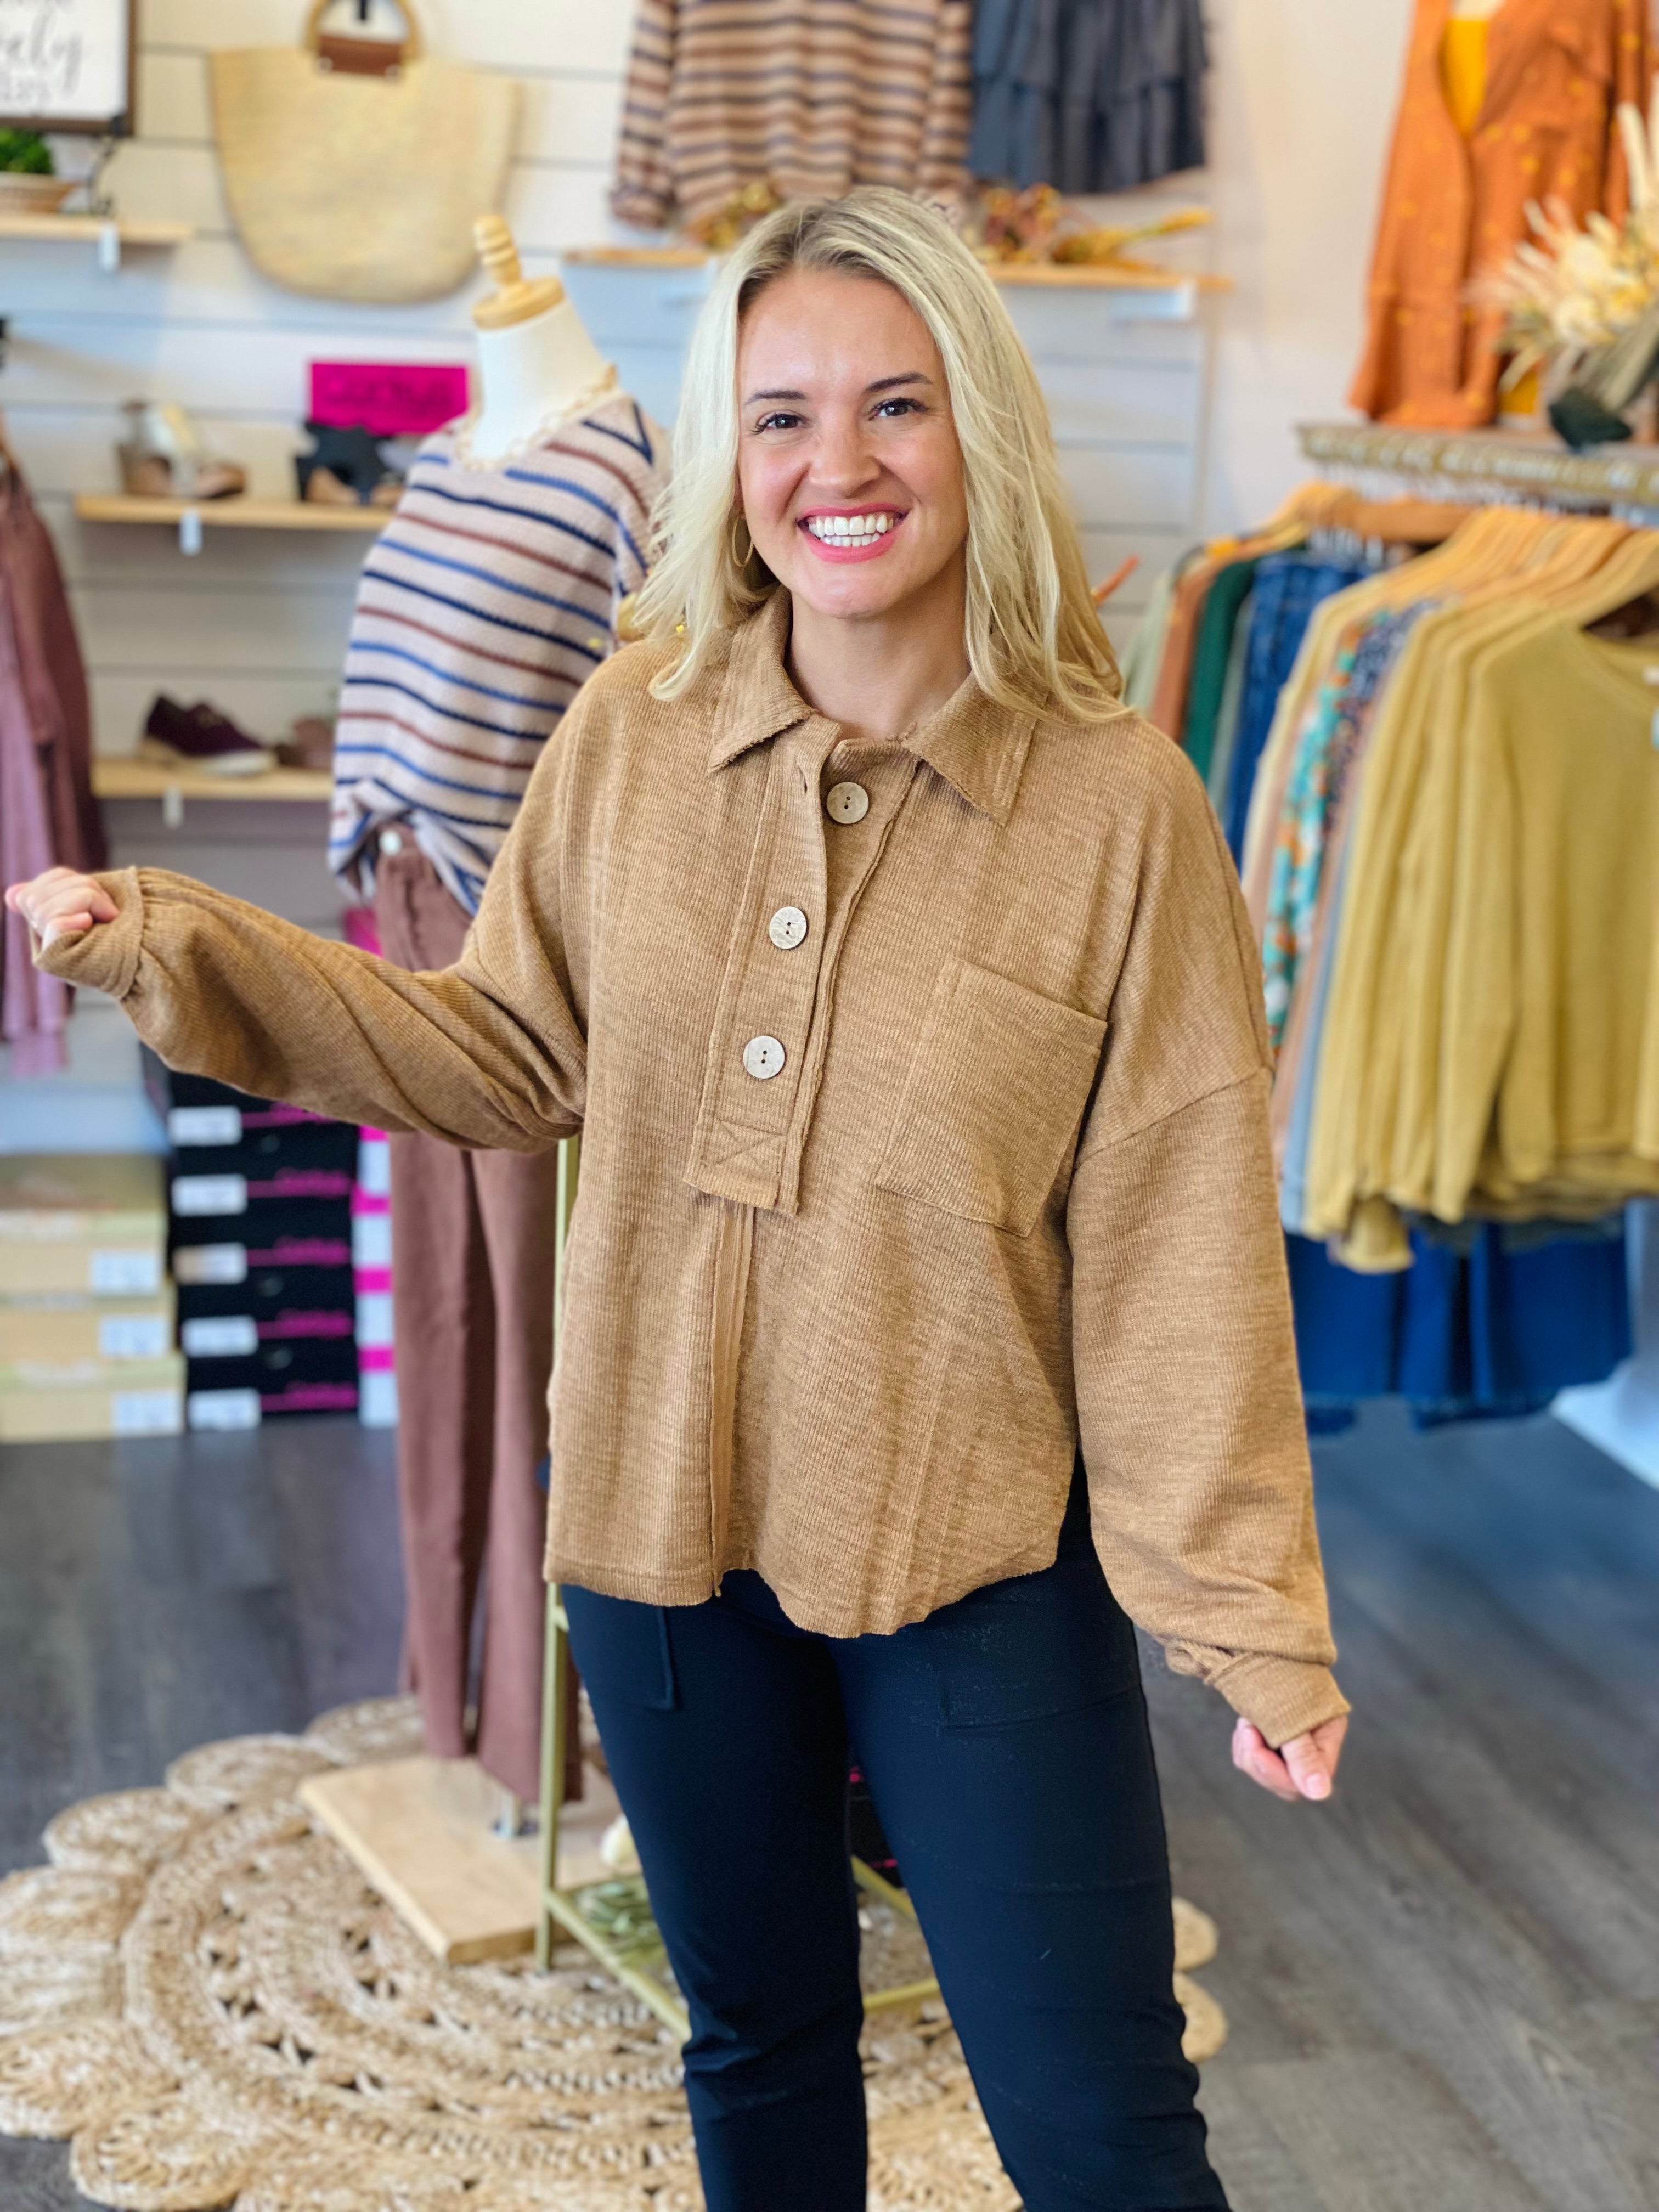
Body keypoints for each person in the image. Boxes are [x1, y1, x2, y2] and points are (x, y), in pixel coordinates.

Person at [11, 188, 1347, 2212]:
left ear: (981, 426)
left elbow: (1176, 1241)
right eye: (784, 413)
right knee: (760, 2050)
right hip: (654, 1533)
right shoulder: (629, 740)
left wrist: (1248, 1624)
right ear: (726, 458)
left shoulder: (1119, 809)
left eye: (896, 405)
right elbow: (502, 1055)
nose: (841, 466)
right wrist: (176, 944)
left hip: (971, 1548)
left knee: (1102, 2134)